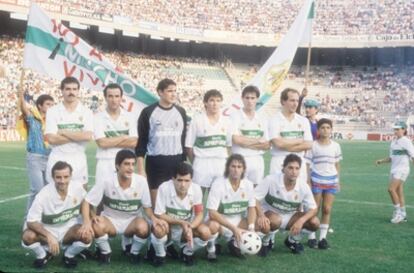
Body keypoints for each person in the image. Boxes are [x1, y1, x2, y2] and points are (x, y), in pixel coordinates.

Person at [79, 149, 168, 264]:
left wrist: (154, 219)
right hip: (110, 220)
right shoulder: (106, 180)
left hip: (132, 221)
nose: (130, 168)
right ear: (117, 166)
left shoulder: (141, 181)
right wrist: (87, 221)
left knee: (143, 227)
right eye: (126, 164)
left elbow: (147, 207)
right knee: (96, 225)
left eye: (132, 164)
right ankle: (105, 253)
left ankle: (134, 253)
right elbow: (87, 201)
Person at [21, 161, 93, 269]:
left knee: (87, 235)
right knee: (28, 236)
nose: (62, 181)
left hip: (68, 230)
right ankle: (43, 255)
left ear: (71, 176)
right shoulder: (43, 195)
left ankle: (69, 255)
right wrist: (48, 236)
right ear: (53, 177)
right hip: (48, 231)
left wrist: (87, 222)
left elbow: (85, 202)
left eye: (66, 177)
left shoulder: (77, 188)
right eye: (58, 177)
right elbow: (31, 221)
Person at [135, 78, 187, 206]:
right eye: (170, 91)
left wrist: (184, 162)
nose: (173, 94)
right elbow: (141, 143)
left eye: (175, 91)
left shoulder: (181, 112)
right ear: (160, 92)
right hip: (156, 163)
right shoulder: (148, 112)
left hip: (176, 162)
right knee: (156, 204)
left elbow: (183, 140)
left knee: (174, 202)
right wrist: (141, 169)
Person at [255, 154, 319, 255]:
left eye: (297, 168)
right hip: (270, 216)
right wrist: (261, 215)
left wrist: (301, 221)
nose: (294, 172)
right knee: (275, 220)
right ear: (283, 169)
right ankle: (266, 243)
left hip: (290, 217)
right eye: (290, 168)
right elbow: (254, 198)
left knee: (314, 222)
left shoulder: (303, 186)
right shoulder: (270, 180)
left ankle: (292, 240)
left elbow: (314, 209)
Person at [152, 162, 214, 266]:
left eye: (187, 180)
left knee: (206, 233)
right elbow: (159, 214)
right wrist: (181, 222)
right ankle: (160, 255)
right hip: (169, 227)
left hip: (186, 228)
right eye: (179, 180)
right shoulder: (164, 188)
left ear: (191, 180)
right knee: (158, 229)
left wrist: (191, 226)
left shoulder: (196, 189)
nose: (183, 184)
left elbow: (199, 214)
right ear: (173, 179)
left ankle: (187, 252)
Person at [45, 77, 93, 189]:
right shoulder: (52, 111)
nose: (71, 92)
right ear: (62, 90)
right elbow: (51, 139)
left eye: (74, 89)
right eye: (68, 89)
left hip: (78, 158)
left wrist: (64, 132)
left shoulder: (86, 112)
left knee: (81, 193)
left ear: (78, 91)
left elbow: (88, 136)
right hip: (57, 157)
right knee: (54, 195)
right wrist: (78, 136)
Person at [17, 71, 54, 215]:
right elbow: (23, 108)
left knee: (46, 189)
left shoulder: (52, 121)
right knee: (37, 189)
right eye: (48, 104)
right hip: (35, 157)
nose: (51, 106)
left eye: (52, 104)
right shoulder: (33, 118)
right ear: (39, 105)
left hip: (49, 157)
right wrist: (20, 95)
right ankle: (30, 219)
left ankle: (38, 218)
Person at [206, 154, 256, 259]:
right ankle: (211, 249)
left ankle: (234, 244)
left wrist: (251, 228)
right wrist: (233, 228)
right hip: (220, 220)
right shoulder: (218, 184)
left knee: (259, 223)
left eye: (239, 167)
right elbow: (212, 212)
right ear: (227, 168)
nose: (236, 170)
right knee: (212, 226)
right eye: (233, 166)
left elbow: (251, 208)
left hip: (237, 220)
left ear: (243, 169)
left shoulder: (248, 184)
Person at [304, 118, 342, 249]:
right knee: (314, 209)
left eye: (328, 127)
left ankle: (323, 238)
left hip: (331, 180)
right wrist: (308, 180)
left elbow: (337, 164)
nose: (325, 130)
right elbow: (307, 164)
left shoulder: (336, 146)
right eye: (323, 128)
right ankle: (311, 236)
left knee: (327, 209)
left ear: (331, 130)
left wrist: (338, 180)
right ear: (318, 130)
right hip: (317, 179)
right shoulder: (313, 145)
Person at [186, 89, 232, 194]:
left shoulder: (227, 121)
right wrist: (195, 161)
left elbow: (229, 146)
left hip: (220, 163)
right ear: (205, 103)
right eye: (211, 100)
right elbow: (188, 146)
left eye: (218, 100)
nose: (215, 104)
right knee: (197, 197)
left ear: (221, 103)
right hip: (202, 163)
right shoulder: (197, 120)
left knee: (217, 199)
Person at [94, 83, 138, 186]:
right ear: (105, 97)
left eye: (117, 96)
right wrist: (123, 137)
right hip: (105, 161)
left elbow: (134, 142)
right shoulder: (97, 118)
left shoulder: (130, 117)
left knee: (124, 195)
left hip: (126, 162)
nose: (114, 100)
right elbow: (102, 143)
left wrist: (109, 140)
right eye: (110, 96)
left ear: (121, 98)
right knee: (102, 196)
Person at [268, 88, 313, 179]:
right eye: (292, 100)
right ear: (283, 101)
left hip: (299, 163)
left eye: (297, 100)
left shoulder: (303, 121)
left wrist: (285, 144)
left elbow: (308, 144)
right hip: (279, 162)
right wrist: (299, 141)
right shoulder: (273, 120)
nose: (295, 103)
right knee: (278, 192)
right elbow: (278, 144)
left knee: (298, 192)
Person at [230, 85, 270, 186]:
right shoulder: (235, 116)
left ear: (257, 99)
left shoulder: (263, 118)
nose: (250, 101)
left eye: (253, 98)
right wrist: (257, 141)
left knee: (255, 192)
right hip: (239, 160)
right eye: (247, 98)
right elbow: (236, 140)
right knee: (238, 190)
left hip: (257, 160)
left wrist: (245, 141)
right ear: (242, 99)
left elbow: (267, 144)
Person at [375, 121, 414, 224]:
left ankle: (398, 213)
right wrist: (381, 161)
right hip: (394, 169)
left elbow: (413, 156)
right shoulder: (394, 141)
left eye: (398, 129)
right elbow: (392, 157)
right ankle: (403, 214)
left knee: (391, 189)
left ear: (404, 130)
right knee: (398, 191)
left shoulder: (406, 141)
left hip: (402, 169)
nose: (395, 131)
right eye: (395, 129)